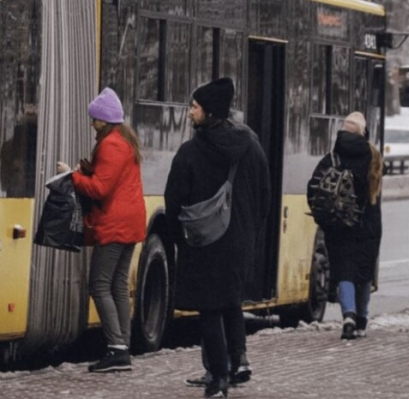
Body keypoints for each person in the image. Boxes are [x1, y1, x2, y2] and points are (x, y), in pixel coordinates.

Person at [164, 77, 271, 398]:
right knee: (231, 301)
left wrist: (178, 239)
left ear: (208, 111)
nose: (189, 113)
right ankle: (238, 361)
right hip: (240, 241)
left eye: (194, 107)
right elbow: (265, 194)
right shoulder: (250, 145)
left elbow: (174, 200)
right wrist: (251, 232)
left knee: (210, 308)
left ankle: (218, 378)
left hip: (205, 241)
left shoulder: (191, 151)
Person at [57, 87, 146, 372]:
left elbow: (100, 188)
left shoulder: (111, 145)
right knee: (118, 284)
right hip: (130, 222)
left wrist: (71, 176)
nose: (92, 124)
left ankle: (116, 348)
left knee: (99, 284)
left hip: (115, 224)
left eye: (94, 119)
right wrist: (84, 170)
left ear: (105, 120)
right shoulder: (124, 141)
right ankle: (123, 345)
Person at [307, 111, 383, 340]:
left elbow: (314, 187)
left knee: (344, 272)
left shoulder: (332, 157)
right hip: (368, 224)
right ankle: (362, 320)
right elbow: (375, 189)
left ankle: (348, 315)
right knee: (364, 273)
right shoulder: (374, 156)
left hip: (339, 225)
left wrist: (324, 215)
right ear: (363, 132)